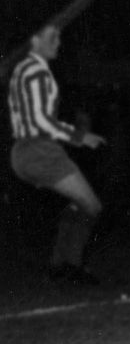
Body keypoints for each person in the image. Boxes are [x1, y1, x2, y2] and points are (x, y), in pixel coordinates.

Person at [7, 24, 108, 286]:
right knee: (92, 206)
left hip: (21, 152)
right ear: (35, 38)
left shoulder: (20, 69)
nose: (59, 42)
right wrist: (79, 136)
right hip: (39, 149)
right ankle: (71, 267)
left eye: (59, 36)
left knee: (76, 203)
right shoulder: (37, 71)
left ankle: (58, 266)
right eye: (53, 37)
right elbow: (41, 120)